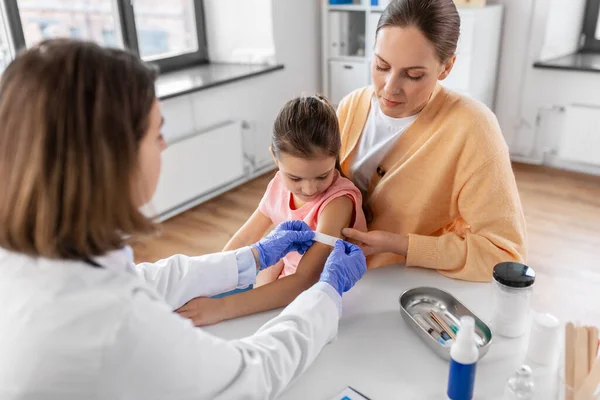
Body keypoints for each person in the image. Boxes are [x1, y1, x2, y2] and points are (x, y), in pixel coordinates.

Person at [0, 39, 367, 400]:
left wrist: (253, 258)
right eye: (156, 133)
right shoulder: (113, 323)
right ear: (113, 157)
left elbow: (147, 280)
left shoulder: (33, 260)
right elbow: (251, 376)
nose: (163, 146)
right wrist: (326, 294)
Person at [338, 0, 527, 282]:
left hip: (398, 284)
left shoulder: (472, 128)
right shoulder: (353, 105)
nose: (389, 88)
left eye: (413, 75)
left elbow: (505, 255)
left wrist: (403, 246)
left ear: (446, 67)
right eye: (381, 66)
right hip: (333, 272)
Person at [177, 95, 367, 326]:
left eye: (322, 176)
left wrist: (221, 307)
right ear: (274, 158)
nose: (309, 188)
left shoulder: (337, 203)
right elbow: (245, 237)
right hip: (285, 279)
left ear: (336, 156)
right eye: (295, 177)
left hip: (321, 296)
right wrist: (206, 279)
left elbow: (305, 279)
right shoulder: (278, 185)